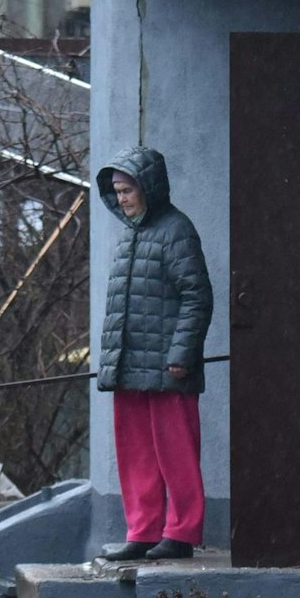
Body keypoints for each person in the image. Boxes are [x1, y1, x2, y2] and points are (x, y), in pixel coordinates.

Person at [94, 147, 212, 562]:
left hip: (168, 366)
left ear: (149, 188)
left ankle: (180, 533)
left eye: (127, 190)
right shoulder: (131, 236)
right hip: (130, 365)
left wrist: (182, 354)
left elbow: (196, 296)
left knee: (176, 451)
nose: (122, 198)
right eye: (117, 192)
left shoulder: (176, 230)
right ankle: (142, 530)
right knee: (136, 452)